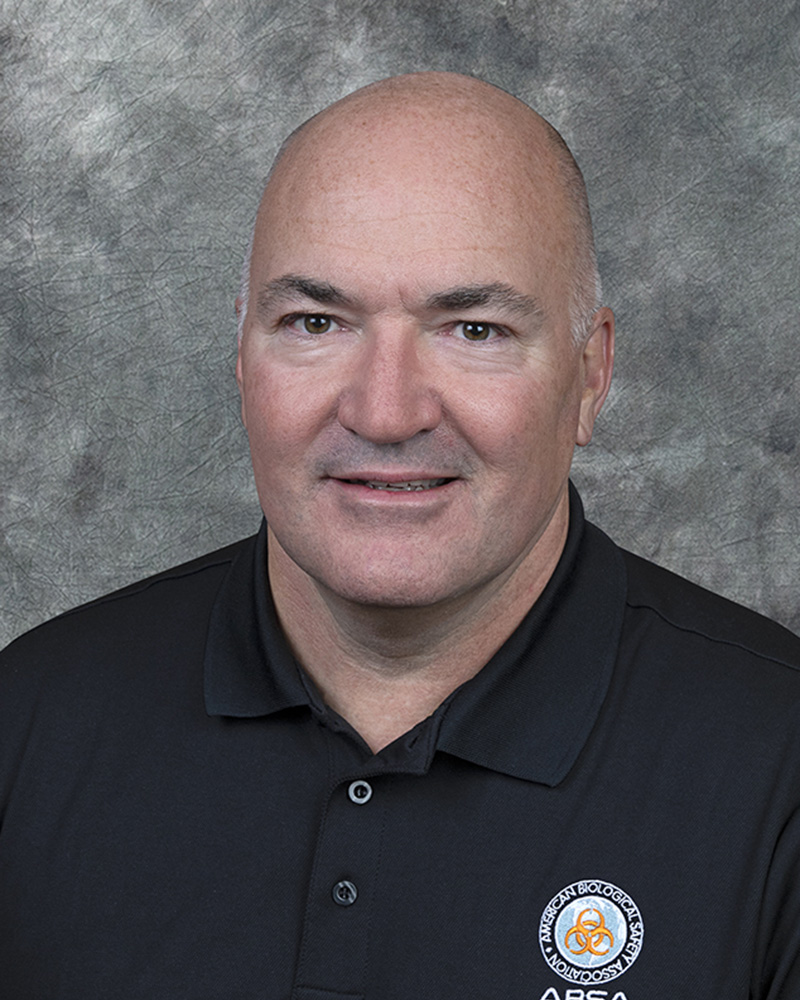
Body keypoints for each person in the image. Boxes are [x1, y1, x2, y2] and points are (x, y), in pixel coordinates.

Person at [1, 71, 799, 1000]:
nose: (385, 413)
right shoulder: (29, 723)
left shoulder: (778, 770)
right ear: (242, 357)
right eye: (315, 322)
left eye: (473, 330)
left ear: (590, 376)